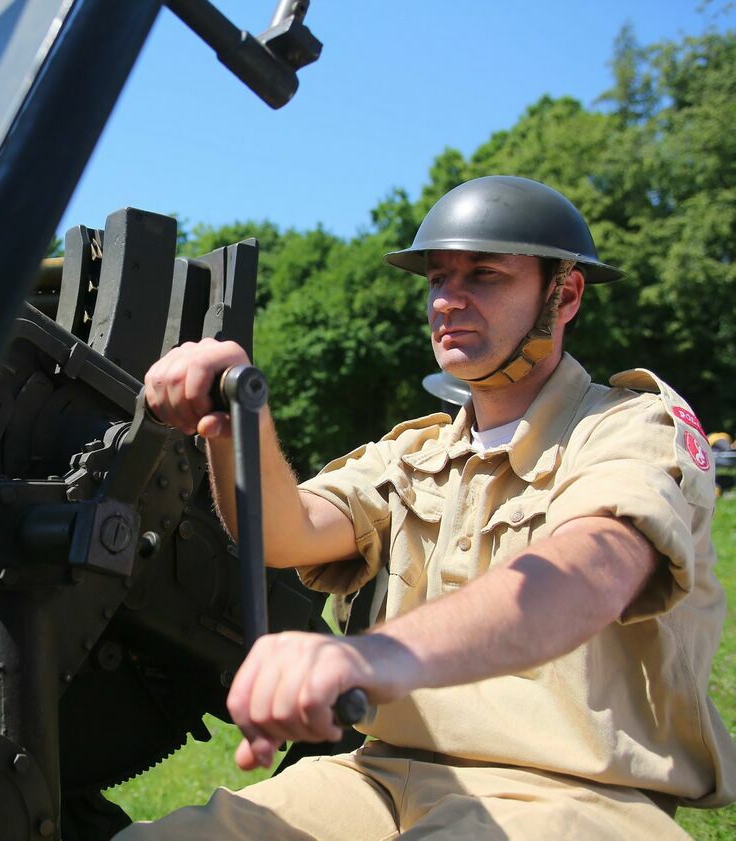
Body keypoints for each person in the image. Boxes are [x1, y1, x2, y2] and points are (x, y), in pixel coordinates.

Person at [118, 176, 736, 839]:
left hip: (572, 794)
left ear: (566, 294)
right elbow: (284, 531)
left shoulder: (628, 428)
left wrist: (375, 655)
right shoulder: (414, 452)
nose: (449, 299)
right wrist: (237, 421)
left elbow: (592, 571)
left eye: (485, 275)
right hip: (382, 776)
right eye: (438, 278)